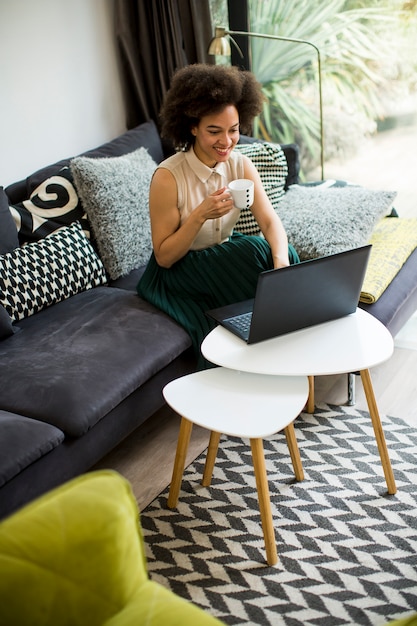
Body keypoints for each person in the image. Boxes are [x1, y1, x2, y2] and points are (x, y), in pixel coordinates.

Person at [137, 63, 299, 368]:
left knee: (278, 253)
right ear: (193, 127)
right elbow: (164, 257)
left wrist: (281, 264)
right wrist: (200, 215)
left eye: (234, 130)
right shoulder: (167, 177)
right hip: (180, 269)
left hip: (221, 252)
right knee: (251, 257)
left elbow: (268, 221)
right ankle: (260, 360)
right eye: (214, 131)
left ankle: (284, 354)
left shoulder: (240, 165)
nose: (226, 141)